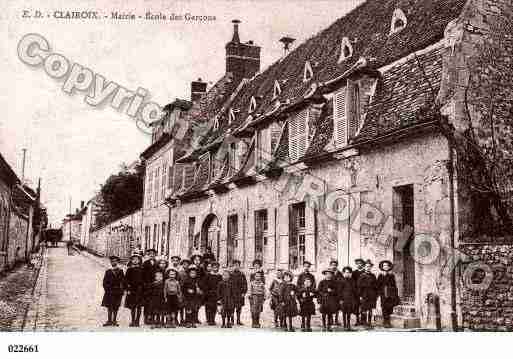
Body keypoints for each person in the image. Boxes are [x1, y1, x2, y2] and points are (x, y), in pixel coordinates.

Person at [101, 256, 125, 327]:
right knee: (109, 306)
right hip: (109, 292)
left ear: (117, 262)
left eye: (115, 261)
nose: (113, 262)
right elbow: (104, 282)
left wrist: (121, 290)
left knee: (116, 306)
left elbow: (123, 281)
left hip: (117, 292)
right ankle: (109, 320)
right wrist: (107, 289)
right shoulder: (108, 271)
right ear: (110, 262)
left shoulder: (120, 271)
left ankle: (114, 320)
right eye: (112, 261)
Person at [377, 260, 400, 328]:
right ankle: (385, 322)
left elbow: (394, 285)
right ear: (382, 267)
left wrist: (395, 294)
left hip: (390, 294)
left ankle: (388, 320)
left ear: (389, 267)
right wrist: (379, 294)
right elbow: (378, 285)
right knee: (384, 307)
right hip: (383, 294)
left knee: (390, 307)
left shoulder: (391, 275)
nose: (385, 267)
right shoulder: (380, 275)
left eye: (387, 265)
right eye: (384, 265)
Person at [124, 254, 145, 327]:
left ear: (139, 261)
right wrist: (127, 288)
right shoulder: (129, 269)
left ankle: (137, 321)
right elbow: (125, 280)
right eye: (134, 259)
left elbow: (144, 280)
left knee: (139, 306)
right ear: (131, 261)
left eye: (137, 259)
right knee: (132, 306)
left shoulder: (142, 269)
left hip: (140, 290)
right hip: (132, 290)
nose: (135, 261)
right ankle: (133, 320)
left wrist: (143, 288)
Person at [357, 259, 378, 329]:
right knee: (364, 309)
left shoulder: (373, 276)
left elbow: (376, 286)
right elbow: (359, 287)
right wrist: (360, 296)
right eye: (366, 266)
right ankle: (364, 322)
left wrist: (376, 295)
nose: (368, 268)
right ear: (364, 267)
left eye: (369, 266)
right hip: (364, 295)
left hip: (372, 295)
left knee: (370, 309)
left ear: (371, 267)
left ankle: (369, 322)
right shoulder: (361, 276)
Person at [339, 266, 358, 331]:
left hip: (350, 299)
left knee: (349, 312)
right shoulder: (341, 280)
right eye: (346, 272)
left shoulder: (352, 280)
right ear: (343, 273)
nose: (348, 274)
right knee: (344, 312)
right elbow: (339, 291)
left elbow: (355, 290)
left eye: (349, 272)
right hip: (344, 299)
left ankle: (348, 324)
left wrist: (354, 298)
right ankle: (344, 325)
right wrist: (340, 299)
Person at [142, 249, 158, 324]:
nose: (152, 255)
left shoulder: (157, 263)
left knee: (154, 302)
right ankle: (146, 318)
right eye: (150, 254)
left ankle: (152, 317)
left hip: (155, 285)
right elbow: (143, 274)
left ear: (155, 255)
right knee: (147, 302)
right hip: (147, 286)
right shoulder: (145, 263)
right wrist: (145, 284)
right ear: (148, 255)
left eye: (153, 254)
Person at [230, 259, 248, 325]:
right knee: (231, 307)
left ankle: (238, 320)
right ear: (232, 266)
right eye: (234, 265)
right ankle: (231, 320)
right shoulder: (230, 274)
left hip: (240, 294)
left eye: (237, 265)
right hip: (232, 294)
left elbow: (245, 284)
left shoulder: (242, 274)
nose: (236, 267)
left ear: (239, 266)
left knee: (239, 307)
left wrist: (244, 292)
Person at [328, 259, 343, 325]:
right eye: (332, 265)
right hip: (331, 293)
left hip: (338, 293)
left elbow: (342, 282)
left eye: (335, 265)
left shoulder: (339, 273)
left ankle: (336, 320)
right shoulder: (329, 273)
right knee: (330, 307)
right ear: (330, 265)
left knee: (337, 307)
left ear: (337, 266)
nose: (334, 266)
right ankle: (330, 320)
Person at [177, 258, 191, 326]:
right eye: (184, 264)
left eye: (187, 264)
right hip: (181, 291)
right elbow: (178, 281)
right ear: (182, 264)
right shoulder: (180, 272)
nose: (186, 265)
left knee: (187, 306)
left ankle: (187, 320)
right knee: (181, 306)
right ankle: (181, 319)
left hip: (188, 291)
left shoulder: (189, 272)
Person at [352, 258, 365, 324]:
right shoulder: (354, 273)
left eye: (360, 263)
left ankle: (363, 320)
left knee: (363, 306)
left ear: (363, 264)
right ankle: (357, 320)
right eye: (357, 264)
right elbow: (352, 282)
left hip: (363, 292)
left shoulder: (364, 272)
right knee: (356, 306)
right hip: (356, 292)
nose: (359, 265)